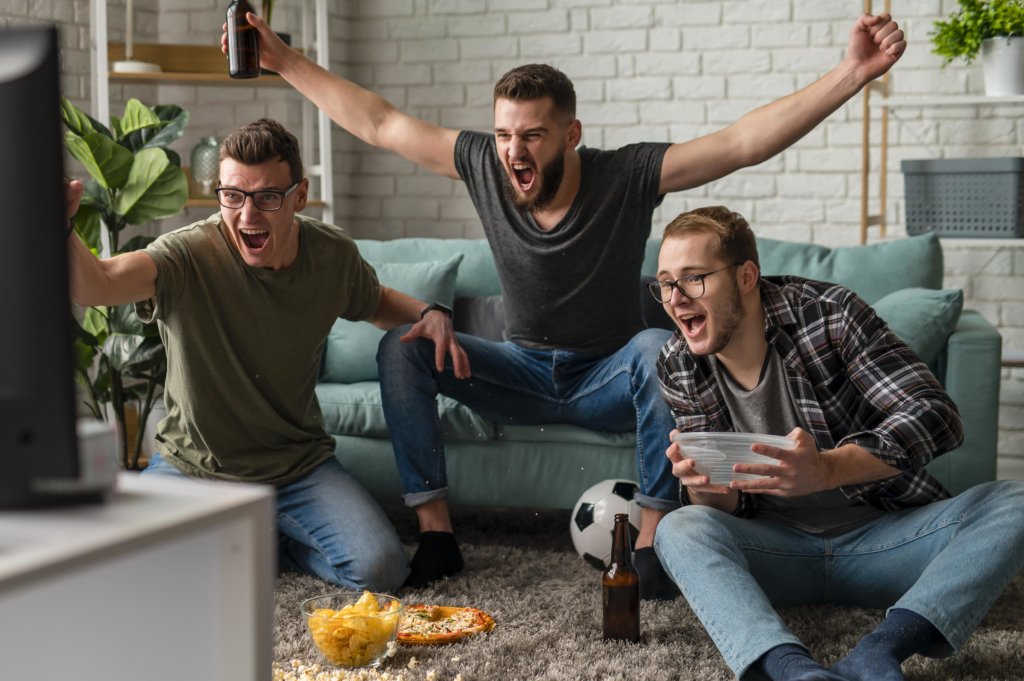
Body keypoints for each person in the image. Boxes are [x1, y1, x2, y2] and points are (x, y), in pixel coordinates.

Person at [224, 11, 907, 596]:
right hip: (518, 370)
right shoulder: (486, 166)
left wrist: (851, 74)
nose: (512, 151)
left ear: (571, 135)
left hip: (603, 373)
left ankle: (650, 542)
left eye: (531, 136)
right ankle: (437, 537)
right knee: (399, 349)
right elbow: (377, 121)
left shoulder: (627, 175)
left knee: (653, 349)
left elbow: (739, 143)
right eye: (503, 135)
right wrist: (283, 60)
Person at [65, 118, 469, 594]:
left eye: (267, 197)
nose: (247, 215)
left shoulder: (330, 255)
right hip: (195, 466)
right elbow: (99, 285)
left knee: (379, 571)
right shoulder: (187, 255)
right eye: (232, 195)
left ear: (299, 196)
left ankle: (270, 540)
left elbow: (374, 300)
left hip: (298, 468)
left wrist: (429, 311)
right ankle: (254, 537)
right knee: (134, 572)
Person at [651, 205, 1024, 681]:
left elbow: (936, 416)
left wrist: (827, 469)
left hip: (885, 538)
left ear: (746, 276)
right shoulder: (678, 361)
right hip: (775, 551)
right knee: (679, 528)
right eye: (665, 282)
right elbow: (722, 509)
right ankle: (791, 670)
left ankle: (882, 649)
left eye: (694, 278)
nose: (676, 298)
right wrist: (703, 483)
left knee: (1013, 501)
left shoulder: (829, 315)